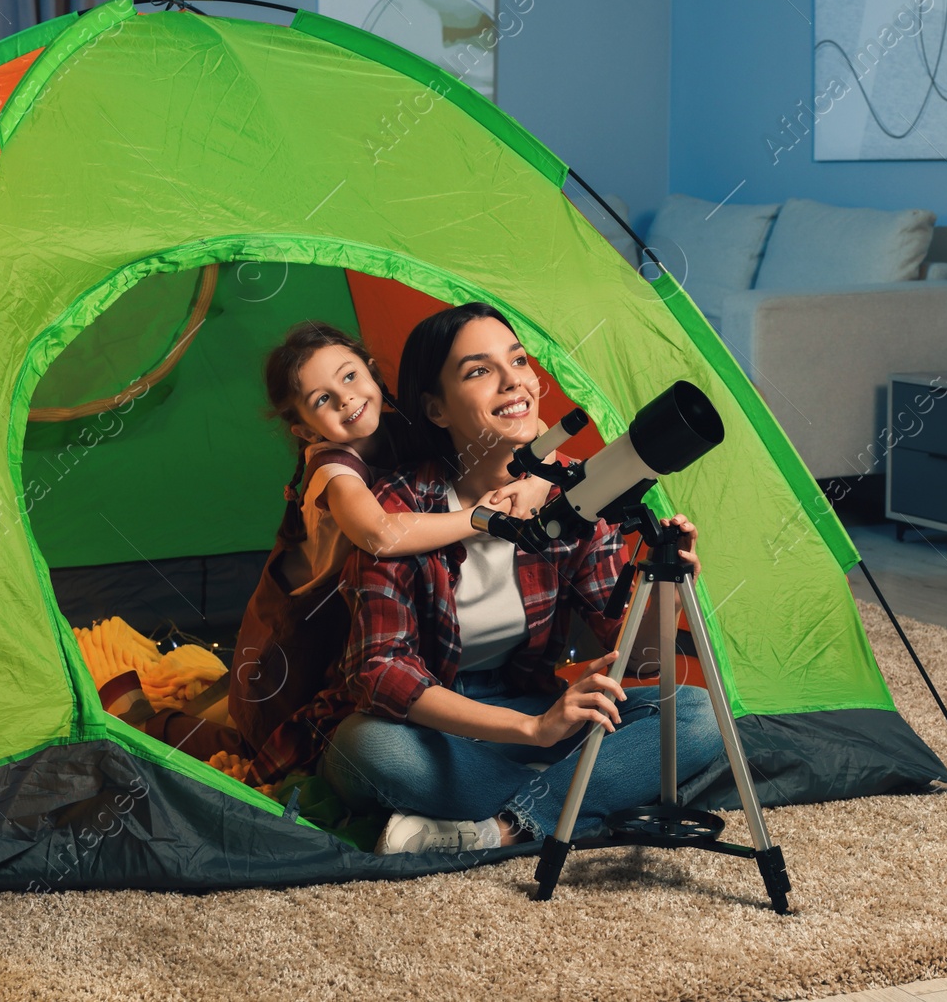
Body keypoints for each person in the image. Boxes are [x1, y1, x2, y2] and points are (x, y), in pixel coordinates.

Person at [312, 302, 729, 855]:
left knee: (696, 717)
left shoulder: (577, 501)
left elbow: (641, 662)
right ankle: (571, 795)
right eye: (479, 370)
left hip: (528, 704)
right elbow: (379, 673)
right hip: (434, 723)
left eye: (518, 360)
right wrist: (534, 735)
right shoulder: (400, 507)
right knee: (363, 749)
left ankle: (500, 828)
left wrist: (667, 590)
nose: (514, 381)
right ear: (436, 409)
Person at [232, 321, 552, 783]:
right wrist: (482, 518)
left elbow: (528, 422)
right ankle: (153, 720)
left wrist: (538, 483)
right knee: (273, 738)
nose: (346, 399)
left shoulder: (400, 422)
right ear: (303, 429)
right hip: (300, 628)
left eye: (349, 377)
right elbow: (380, 533)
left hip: (366, 607)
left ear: (373, 372)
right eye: (322, 399)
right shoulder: (331, 467)